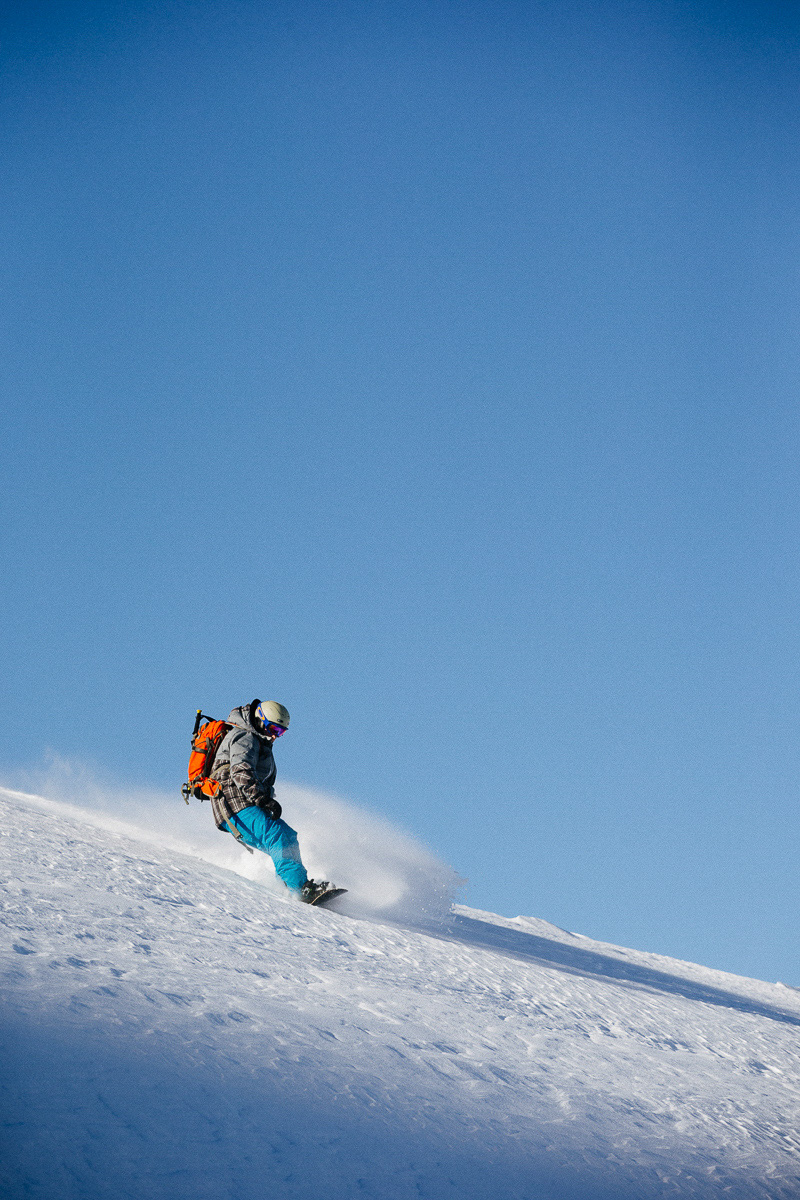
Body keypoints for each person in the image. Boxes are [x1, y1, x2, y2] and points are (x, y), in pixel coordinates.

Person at [209, 698, 333, 904]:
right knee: (278, 835)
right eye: (272, 728)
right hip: (235, 803)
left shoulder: (258, 740)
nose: (275, 735)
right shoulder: (245, 736)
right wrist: (262, 799)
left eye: (281, 732)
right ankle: (301, 890)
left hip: (238, 805)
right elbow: (240, 771)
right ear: (259, 720)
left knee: (285, 837)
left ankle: (289, 887)